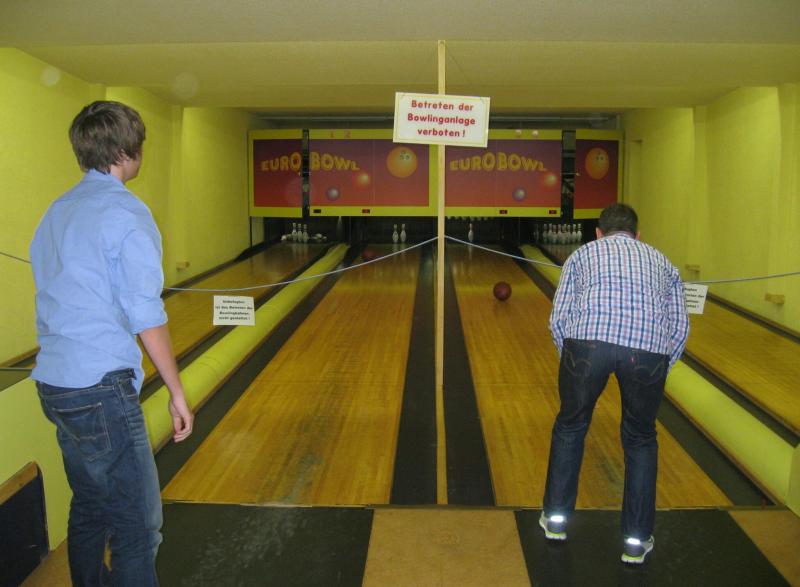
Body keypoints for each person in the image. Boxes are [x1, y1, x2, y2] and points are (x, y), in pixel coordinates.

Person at [30, 101, 193, 586]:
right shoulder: (127, 212)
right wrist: (176, 391)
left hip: (55, 384)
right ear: (126, 152)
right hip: (101, 387)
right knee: (137, 527)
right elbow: (146, 313)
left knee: (90, 508)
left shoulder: (57, 211)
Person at [539, 203, 689, 564]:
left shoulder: (582, 255)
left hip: (587, 345)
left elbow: (558, 318)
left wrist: (571, 356)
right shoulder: (662, 262)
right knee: (641, 439)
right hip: (648, 352)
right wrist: (660, 365)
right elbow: (680, 327)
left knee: (570, 426)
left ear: (598, 233)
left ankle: (555, 521)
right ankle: (636, 540)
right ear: (638, 235)